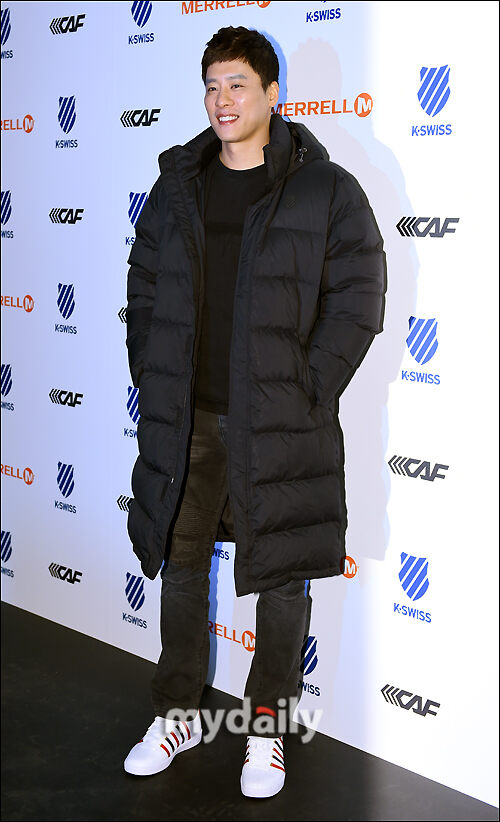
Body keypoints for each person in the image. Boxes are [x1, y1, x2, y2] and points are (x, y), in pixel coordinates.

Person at [123, 25, 386, 798]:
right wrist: (152, 371)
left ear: (273, 94)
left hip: (279, 421)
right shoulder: (178, 185)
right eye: (212, 85)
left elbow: (360, 293)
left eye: (237, 83)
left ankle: (264, 730)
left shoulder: (325, 188)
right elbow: (143, 285)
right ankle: (177, 712)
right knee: (180, 566)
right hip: (190, 419)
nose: (222, 99)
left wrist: (310, 384)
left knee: (281, 580)